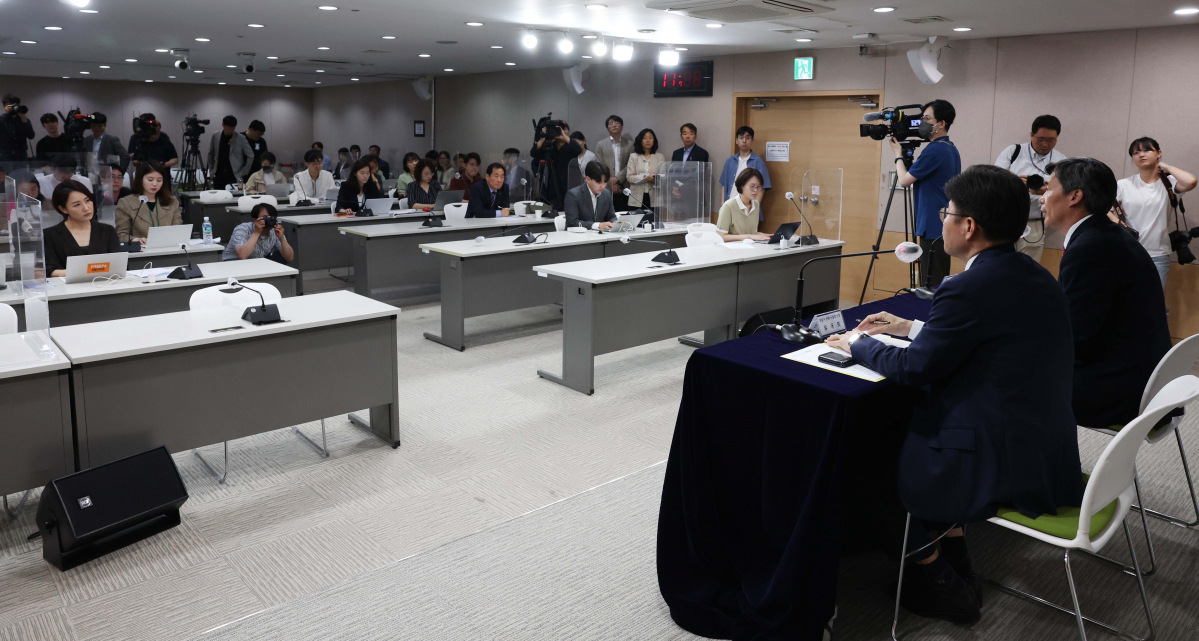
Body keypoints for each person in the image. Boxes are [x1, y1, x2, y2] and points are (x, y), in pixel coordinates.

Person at [826, 165, 1083, 625]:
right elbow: (989, 335)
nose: (942, 220)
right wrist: (911, 326)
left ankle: (941, 581)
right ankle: (958, 551)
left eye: (946, 212)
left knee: (865, 462)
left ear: (968, 226)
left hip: (992, 452)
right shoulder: (1034, 272)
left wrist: (858, 343)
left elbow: (913, 366)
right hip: (1039, 441)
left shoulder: (967, 286)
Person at [1040, 157, 1171, 429]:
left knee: (1006, 378)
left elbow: (1078, 340)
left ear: (1075, 196)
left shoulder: (1090, 248)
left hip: (1118, 388)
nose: (1042, 197)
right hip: (1142, 375)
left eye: (1049, 189)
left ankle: (1040, 470)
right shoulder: (1109, 235)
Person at [891, 99, 961, 286]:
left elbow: (905, 180)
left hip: (932, 225)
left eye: (927, 118)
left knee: (931, 283)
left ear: (941, 123)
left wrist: (898, 154)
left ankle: (931, 315)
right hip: (941, 222)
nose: (922, 123)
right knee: (936, 277)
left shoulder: (935, 150)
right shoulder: (950, 148)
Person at [1115, 137, 1197, 289]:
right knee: (1126, 304)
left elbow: (1191, 181)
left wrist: (1167, 166)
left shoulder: (1169, 183)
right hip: (1126, 253)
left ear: (1158, 153)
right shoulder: (1123, 185)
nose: (1141, 155)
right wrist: (1119, 224)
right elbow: (1105, 209)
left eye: (1146, 150)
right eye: (1136, 152)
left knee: (1154, 304)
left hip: (1157, 255)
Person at [994, 115, 1067, 262]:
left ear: (1057, 139)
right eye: (1040, 139)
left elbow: (1065, 194)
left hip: (1035, 222)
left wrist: (1047, 191)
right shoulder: (1013, 152)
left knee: (1027, 267)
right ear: (1031, 134)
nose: (1045, 144)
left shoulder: (1061, 162)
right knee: (998, 262)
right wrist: (1014, 183)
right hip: (1005, 219)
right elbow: (994, 182)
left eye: (1051, 140)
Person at [44, 180, 120, 276]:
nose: (86, 208)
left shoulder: (107, 231)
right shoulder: (50, 235)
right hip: (67, 288)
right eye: (77, 204)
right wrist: (82, 272)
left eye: (87, 201)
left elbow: (119, 265)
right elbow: (48, 270)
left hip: (104, 284)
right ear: (63, 209)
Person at [114, 161, 182, 243]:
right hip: (142, 252)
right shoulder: (126, 203)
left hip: (168, 249)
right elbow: (121, 234)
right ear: (140, 179)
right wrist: (134, 239)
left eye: (159, 180)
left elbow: (178, 230)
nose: (154, 184)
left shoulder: (172, 201)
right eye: (150, 180)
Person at [222, 202, 294, 263]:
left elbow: (289, 257)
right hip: (233, 263)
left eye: (272, 217)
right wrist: (256, 232)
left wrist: (282, 239)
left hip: (256, 263)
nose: (269, 220)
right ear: (255, 220)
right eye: (265, 217)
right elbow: (242, 256)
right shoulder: (242, 229)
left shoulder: (274, 231)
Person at [531, 127, 582, 210]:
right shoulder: (550, 147)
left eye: (564, 129)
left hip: (568, 187)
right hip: (552, 188)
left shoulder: (570, 146)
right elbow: (533, 153)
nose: (562, 132)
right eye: (559, 130)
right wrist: (543, 138)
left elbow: (579, 150)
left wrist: (565, 137)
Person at [718, 126, 771, 206]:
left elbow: (761, 188)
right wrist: (723, 204)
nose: (744, 141)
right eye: (741, 138)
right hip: (730, 204)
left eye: (747, 138)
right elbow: (724, 185)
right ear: (736, 141)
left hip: (748, 206)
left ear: (752, 140)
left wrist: (754, 207)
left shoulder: (758, 161)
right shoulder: (730, 161)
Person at [715, 168, 771, 242]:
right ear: (742, 186)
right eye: (752, 186)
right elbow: (721, 236)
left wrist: (764, 235)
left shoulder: (756, 205)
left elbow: (750, 233)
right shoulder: (728, 206)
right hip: (732, 249)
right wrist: (749, 236)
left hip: (750, 247)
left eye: (758, 187)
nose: (756, 190)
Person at [594, 115, 634, 211]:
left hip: (624, 186)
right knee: (606, 216)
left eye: (617, 123)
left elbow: (630, 165)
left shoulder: (630, 144)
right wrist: (610, 182)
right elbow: (599, 165)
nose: (614, 125)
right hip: (605, 186)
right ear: (607, 128)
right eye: (611, 123)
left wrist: (617, 179)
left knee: (623, 216)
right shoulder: (600, 144)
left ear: (622, 127)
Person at [563, 161, 617, 230]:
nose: (603, 186)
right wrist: (598, 225)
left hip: (600, 237)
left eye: (605, 183)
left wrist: (613, 223)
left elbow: (611, 216)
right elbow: (572, 222)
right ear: (588, 179)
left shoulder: (606, 194)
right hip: (578, 237)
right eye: (599, 183)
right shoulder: (573, 195)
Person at [626, 128, 664, 211]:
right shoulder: (633, 156)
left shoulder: (660, 157)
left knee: (653, 222)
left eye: (650, 138)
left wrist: (654, 178)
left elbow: (664, 177)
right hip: (637, 197)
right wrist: (645, 177)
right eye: (645, 138)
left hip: (655, 197)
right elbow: (629, 177)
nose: (648, 140)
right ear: (640, 140)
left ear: (654, 140)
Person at [208, 115, 245, 190]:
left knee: (234, 196)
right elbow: (211, 154)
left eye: (233, 128)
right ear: (223, 125)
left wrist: (243, 172)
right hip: (219, 172)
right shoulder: (216, 136)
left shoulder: (239, 137)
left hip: (233, 173)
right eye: (229, 128)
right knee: (218, 196)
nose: (231, 130)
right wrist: (211, 170)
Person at [0, 94, 35, 163]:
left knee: (22, 173)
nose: (12, 108)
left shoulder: (24, 119)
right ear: (4, 106)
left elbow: (31, 136)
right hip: (6, 155)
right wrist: (5, 114)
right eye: (10, 106)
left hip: (21, 155)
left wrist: (24, 120)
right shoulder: (2, 120)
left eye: (14, 106)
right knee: (7, 174)